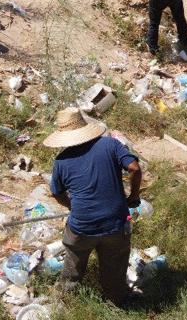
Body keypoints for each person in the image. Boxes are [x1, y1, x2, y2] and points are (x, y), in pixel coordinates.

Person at [46, 107, 142, 308]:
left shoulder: (61, 161)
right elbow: (134, 168)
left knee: (73, 264)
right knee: (114, 265)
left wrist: (73, 206)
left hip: (82, 226)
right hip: (115, 223)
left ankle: (64, 302)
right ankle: (114, 303)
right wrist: (133, 195)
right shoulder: (110, 145)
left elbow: (56, 192)